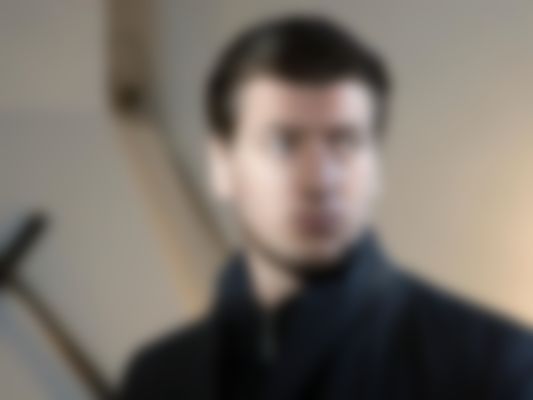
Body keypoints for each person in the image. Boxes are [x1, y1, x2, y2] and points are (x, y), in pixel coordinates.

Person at [120, 15, 533, 400]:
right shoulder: (157, 378)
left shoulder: (496, 366)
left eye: (345, 142)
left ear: (376, 166)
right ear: (222, 167)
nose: (319, 180)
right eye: (282, 143)